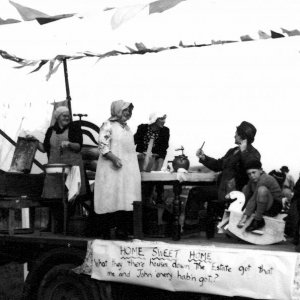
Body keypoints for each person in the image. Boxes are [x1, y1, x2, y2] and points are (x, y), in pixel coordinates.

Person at [184, 121, 261, 234]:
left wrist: (244, 152)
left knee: (195, 192)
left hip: (235, 191)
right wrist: (204, 157)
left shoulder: (254, 153)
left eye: (236, 133)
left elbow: (250, 168)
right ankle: (196, 224)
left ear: (242, 136)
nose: (234, 135)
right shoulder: (233, 151)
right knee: (197, 191)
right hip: (223, 188)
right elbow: (219, 165)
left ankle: (191, 225)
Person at [32, 106, 87, 231]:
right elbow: (45, 148)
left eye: (68, 115)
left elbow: (78, 146)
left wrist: (69, 143)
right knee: (53, 197)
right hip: (54, 168)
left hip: (72, 167)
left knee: (70, 197)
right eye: (64, 115)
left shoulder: (74, 128)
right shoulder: (51, 130)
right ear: (57, 117)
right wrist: (34, 142)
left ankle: (67, 225)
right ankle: (55, 225)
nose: (67, 117)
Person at [94, 100, 141, 239]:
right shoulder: (107, 125)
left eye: (129, 111)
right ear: (117, 110)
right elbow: (103, 145)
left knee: (125, 198)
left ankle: (122, 230)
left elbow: (127, 149)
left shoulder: (126, 128)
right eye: (125, 110)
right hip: (110, 169)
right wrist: (114, 158)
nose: (128, 113)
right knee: (110, 197)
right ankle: (106, 231)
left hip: (126, 171)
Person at [237, 160, 283, 232]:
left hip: (274, 206)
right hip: (262, 203)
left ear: (261, 171)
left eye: (254, 172)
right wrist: (240, 210)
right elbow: (246, 196)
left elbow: (254, 198)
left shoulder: (265, 178)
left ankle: (258, 221)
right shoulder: (251, 181)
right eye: (249, 174)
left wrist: (245, 217)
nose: (252, 176)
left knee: (262, 190)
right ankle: (251, 214)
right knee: (245, 188)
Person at [134, 112, 170, 203]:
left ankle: (159, 198)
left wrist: (158, 162)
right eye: (161, 119)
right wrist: (140, 154)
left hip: (156, 158)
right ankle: (140, 200)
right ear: (154, 119)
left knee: (157, 176)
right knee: (142, 180)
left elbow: (163, 148)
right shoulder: (142, 128)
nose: (164, 121)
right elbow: (132, 141)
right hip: (142, 158)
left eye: (164, 119)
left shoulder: (165, 130)